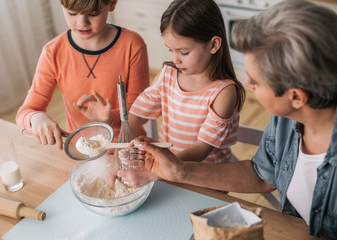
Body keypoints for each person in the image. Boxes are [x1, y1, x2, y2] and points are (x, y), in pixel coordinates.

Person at [117, 0, 337, 238]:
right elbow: (262, 175)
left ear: (296, 96)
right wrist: (177, 171)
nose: (248, 86)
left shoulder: (227, 92)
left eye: (257, 81)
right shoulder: (285, 120)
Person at [83, 0, 245, 185]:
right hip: (163, 172)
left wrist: (158, 172)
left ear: (214, 44)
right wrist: (120, 152)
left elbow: (202, 149)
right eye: (170, 50)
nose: (175, 59)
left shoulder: (224, 93)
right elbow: (137, 114)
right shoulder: (168, 75)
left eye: (184, 52)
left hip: (204, 179)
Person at [16, 0, 149, 150]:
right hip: (80, 148)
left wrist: (111, 118)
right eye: (72, 13)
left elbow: (141, 113)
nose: (82, 23)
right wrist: (35, 118)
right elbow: (24, 113)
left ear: (112, 4)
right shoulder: (53, 52)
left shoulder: (132, 45)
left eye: (93, 14)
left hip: (126, 146)